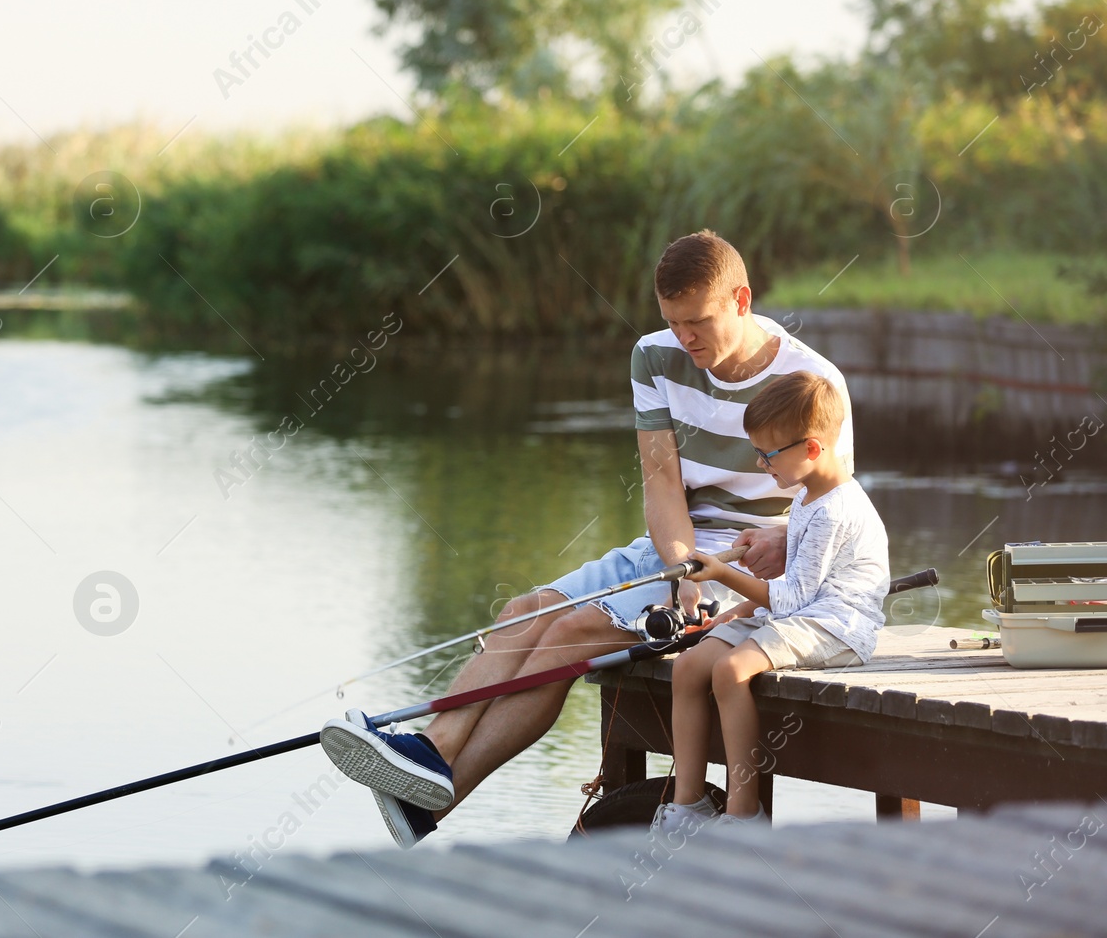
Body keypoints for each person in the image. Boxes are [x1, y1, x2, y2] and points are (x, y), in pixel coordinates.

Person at [319, 230, 855, 847]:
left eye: (698, 321)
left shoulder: (814, 380)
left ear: (742, 298)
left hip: (749, 576)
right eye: (673, 322)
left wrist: (777, 539)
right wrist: (681, 570)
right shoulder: (652, 357)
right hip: (675, 551)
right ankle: (433, 756)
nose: (686, 338)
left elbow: (835, 505)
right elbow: (662, 489)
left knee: (569, 635)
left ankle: (428, 789)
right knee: (525, 612)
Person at [653, 370, 889, 832]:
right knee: (689, 667)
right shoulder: (807, 496)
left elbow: (794, 598)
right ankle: (689, 804)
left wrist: (724, 573)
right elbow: (793, 596)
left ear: (813, 449)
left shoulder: (833, 509)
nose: (762, 465)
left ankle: (744, 814)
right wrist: (738, 613)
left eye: (766, 455)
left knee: (730, 669)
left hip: (839, 627)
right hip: (802, 616)